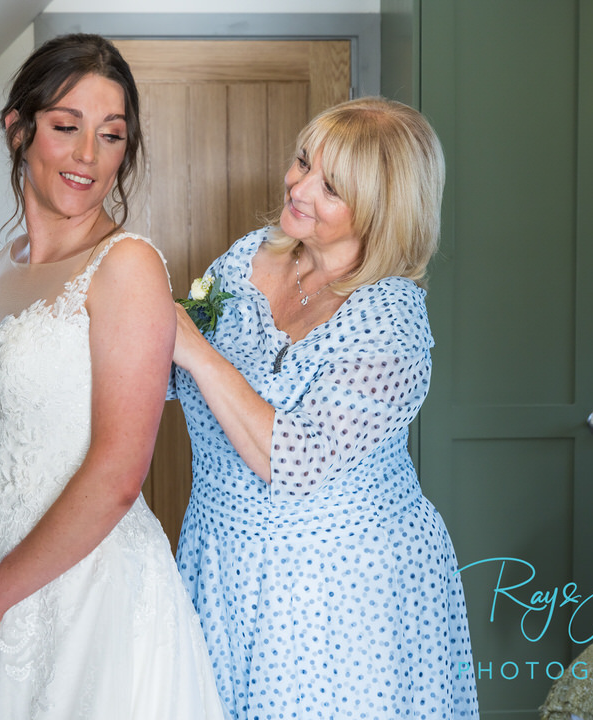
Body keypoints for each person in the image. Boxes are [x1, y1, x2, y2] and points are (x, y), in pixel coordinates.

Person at [0, 34, 224, 720]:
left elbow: (121, 475)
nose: (89, 156)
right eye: (67, 128)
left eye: (112, 135)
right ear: (18, 130)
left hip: (92, 600)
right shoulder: (7, 264)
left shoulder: (126, 268)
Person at [170, 97, 479, 718]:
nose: (298, 187)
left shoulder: (392, 325)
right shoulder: (248, 257)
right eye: (303, 162)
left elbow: (297, 460)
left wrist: (194, 351)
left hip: (340, 588)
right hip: (221, 559)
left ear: (380, 210)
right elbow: (173, 376)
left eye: (330, 186)